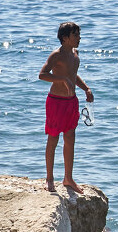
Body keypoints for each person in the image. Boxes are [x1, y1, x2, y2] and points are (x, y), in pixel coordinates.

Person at [38, 22, 93, 193]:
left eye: (79, 34)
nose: (79, 38)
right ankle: (49, 179)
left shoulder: (75, 54)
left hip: (71, 102)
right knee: (53, 139)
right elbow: (42, 75)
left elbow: (72, 75)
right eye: (75, 35)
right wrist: (61, 79)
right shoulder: (57, 55)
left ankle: (68, 178)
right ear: (65, 38)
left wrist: (86, 89)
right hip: (56, 101)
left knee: (70, 139)